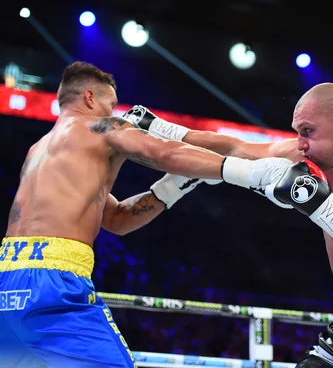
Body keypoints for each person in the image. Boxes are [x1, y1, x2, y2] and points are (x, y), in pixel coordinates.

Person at [124, 82, 333, 368]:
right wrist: (159, 128)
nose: (300, 143)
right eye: (298, 133)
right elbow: (235, 146)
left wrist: (319, 206)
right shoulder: (309, 155)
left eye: (308, 132)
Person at [0, 61, 293, 368]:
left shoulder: (38, 151)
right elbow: (163, 152)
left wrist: (172, 187)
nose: (114, 113)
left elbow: (117, 219)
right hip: (53, 282)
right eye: (110, 104)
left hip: (8, 282)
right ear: (89, 98)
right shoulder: (101, 127)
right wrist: (249, 173)